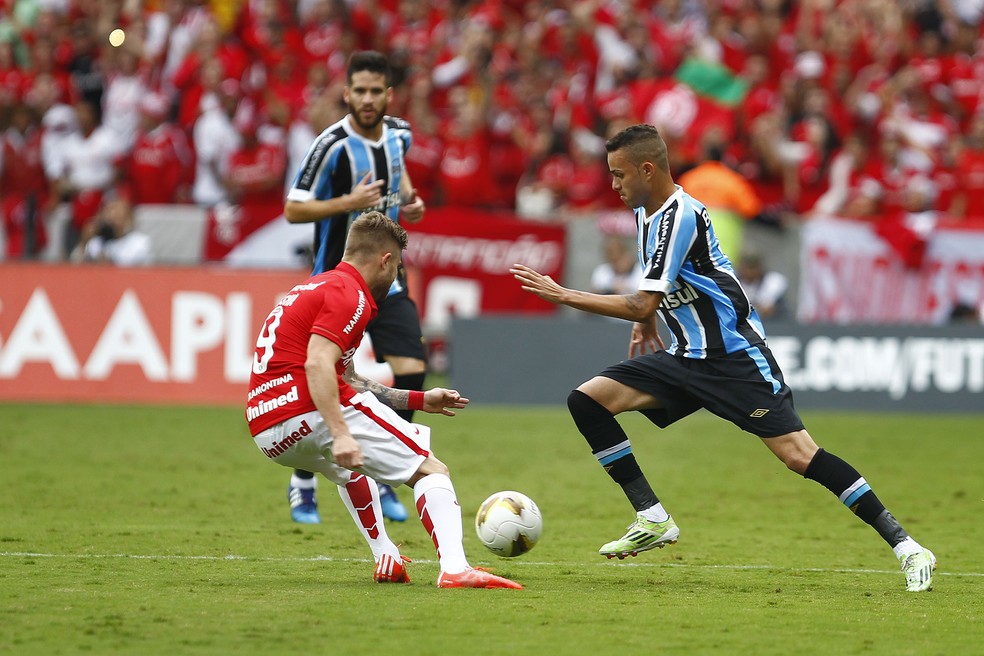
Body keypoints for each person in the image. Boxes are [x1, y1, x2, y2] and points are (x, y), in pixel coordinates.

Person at [511, 124, 936, 593]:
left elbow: (642, 299)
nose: (613, 185)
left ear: (647, 169)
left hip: (735, 359)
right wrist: (646, 322)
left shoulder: (680, 216)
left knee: (800, 456)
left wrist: (565, 294)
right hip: (687, 357)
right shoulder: (644, 211)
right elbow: (656, 292)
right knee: (587, 401)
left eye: (619, 174)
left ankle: (908, 547)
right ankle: (652, 517)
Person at [246, 211, 522, 590]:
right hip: (309, 409)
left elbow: (349, 378)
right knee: (430, 470)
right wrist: (341, 432)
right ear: (386, 260)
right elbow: (317, 364)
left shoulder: (316, 287)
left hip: (267, 430)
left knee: (352, 470)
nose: (395, 277)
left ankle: (386, 555)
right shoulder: (350, 294)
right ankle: (455, 569)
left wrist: (419, 399)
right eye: (397, 266)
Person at [284, 51, 427, 525]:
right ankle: (302, 481)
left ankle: (387, 472)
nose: (367, 99)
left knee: (412, 370)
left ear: (389, 94)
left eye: (375, 91)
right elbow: (293, 208)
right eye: (359, 91)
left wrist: (410, 198)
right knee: (325, 375)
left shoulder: (400, 132)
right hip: (336, 283)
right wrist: (348, 202)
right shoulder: (330, 145)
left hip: (390, 279)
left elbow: (400, 170)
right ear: (346, 93)